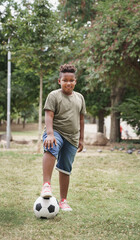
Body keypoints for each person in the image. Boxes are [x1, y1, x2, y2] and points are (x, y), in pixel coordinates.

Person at [41, 64, 86, 211]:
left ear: (75, 81)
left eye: (71, 80)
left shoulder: (80, 98)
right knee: (51, 146)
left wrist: (81, 138)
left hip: (72, 137)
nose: (68, 83)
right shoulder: (54, 96)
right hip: (56, 131)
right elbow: (49, 115)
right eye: (65, 80)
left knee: (66, 168)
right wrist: (50, 134)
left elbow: (81, 120)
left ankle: (63, 201)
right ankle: (46, 185)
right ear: (59, 81)